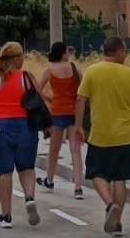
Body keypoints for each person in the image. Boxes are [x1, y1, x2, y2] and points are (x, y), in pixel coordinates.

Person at [75, 36, 130, 235]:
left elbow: (81, 100)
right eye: (124, 51)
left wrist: (79, 126)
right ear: (117, 51)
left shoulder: (92, 71)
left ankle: (109, 205)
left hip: (101, 134)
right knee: (120, 178)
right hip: (126, 135)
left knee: (97, 173)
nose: (125, 55)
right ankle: (117, 224)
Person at [0, 40, 42, 228]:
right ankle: (29, 197)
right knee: (27, 168)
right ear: (18, 59)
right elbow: (39, 101)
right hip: (26, 127)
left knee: (5, 172)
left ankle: (6, 216)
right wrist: (46, 126)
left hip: (0, 127)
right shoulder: (27, 77)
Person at [35, 42, 85, 199]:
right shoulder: (75, 69)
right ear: (63, 53)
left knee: (54, 149)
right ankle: (78, 187)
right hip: (73, 112)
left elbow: (37, 89)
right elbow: (83, 90)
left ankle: (49, 180)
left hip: (56, 111)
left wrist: (49, 99)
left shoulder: (49, 70)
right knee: (75, 150)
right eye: (67, 51)